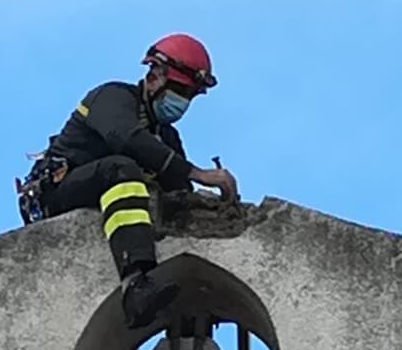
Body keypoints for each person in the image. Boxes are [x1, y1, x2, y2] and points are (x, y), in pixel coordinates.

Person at [19, 34, 241, 330]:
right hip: (58, 193)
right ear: (154, 76)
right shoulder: (112, 98)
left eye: (188, 95)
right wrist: (198, 173)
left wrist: (213, 204)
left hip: (108, 196)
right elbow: (125, 138)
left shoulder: (166, 138)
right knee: (121, 168)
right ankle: (136, 286)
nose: (182, 102)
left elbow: (178, 191)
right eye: (178, 90)